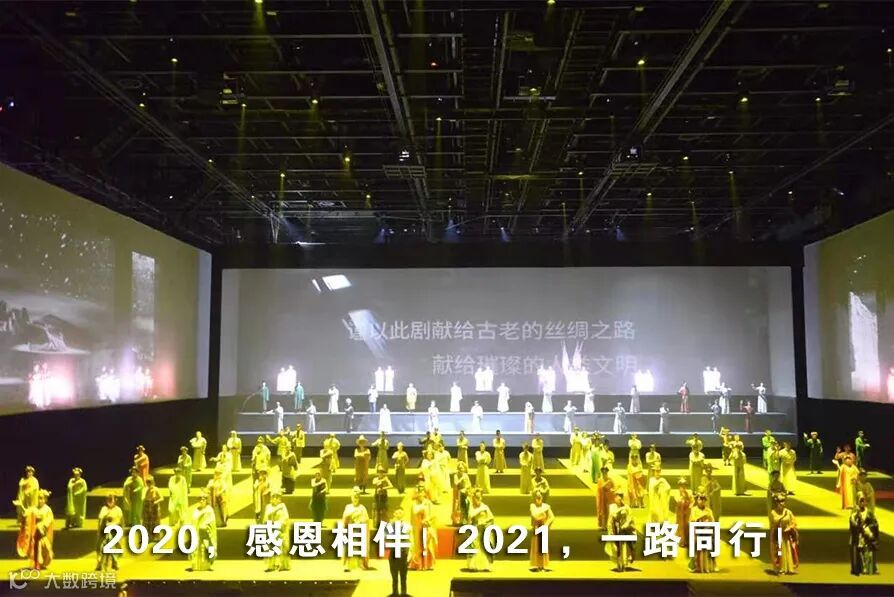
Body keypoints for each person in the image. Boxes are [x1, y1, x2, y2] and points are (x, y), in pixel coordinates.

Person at [17, 488, 54, 570]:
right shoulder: (34, 508)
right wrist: (22, 507)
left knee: (46, 550)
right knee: (36, 549)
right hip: (35, 533)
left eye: (41, 498)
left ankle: (42, 563)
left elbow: (49, 519)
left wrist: (42, 525)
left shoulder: (47, 509)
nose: (40, 500)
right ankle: (36, 564)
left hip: (42, 533)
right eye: (38, 498)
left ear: (45, 499)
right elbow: (27, 513)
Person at [850, 492, 879, 576]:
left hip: (867, 539)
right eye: (861, 500)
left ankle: (868, 568)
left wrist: (869, 530)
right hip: (858, 539)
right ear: (857, 502)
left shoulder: (869, 513)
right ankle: (860, 568)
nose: (863, 502)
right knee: (859, 554)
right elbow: (852, 526)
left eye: (864, 500)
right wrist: (857, 518)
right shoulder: (854, 514)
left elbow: (875, 524)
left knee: (867, 554)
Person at [341, 488, 371, 571]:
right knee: (347, 546)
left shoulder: (362, 508)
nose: (355, 499)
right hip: (349, 530)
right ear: (351, 497)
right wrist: (350, 515)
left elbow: (366, 519)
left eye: (357, 497)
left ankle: (361, 563)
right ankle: (347, 564)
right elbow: (344, 517)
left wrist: (360, 519)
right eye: (354, 497)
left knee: (360, 546)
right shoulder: (348, 507)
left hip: (359, 529)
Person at [465, 488, 495, 572]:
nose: (477, 499)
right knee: (475, 547)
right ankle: (473, 565)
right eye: (476, 497)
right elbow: (470, 517)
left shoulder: (485, 507)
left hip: (484, 530)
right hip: (475, 530)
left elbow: (491, 518)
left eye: (479, 497)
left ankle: (486, 565)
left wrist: (486, 524)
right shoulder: (471, 507)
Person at [606, 490, 636, 572]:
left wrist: (626, 525)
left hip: (625, 529)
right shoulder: (612, 507)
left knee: (627, 547)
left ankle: (626, 561)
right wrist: (611, 532)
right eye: (618, 496)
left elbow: (630, 518)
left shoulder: (627, 507)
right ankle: (619, 563)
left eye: (621, 496)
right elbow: (610, 520)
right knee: (617, 547)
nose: (619, 498)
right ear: (615, 498)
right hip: (616, 529)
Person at [769, 493, 798, 576]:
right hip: (778, 534)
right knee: (779, 552)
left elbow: (794, 522)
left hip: (787, 535)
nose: (782, 503)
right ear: (776, 503)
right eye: (780, 501)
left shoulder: (788, 512)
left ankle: (789, 567)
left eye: (783, 501)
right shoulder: (773, 513)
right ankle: (780, 568)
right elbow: (773, 524)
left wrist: (790, 527)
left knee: (789, 550)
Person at [409, 486, 437, 571]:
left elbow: (433, 515)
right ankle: (418, 565)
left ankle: (427, 564)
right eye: (419, 493)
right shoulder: (414, 504)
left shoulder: (428, 503)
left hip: (427, 526)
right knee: (418, 546)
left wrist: (428, 521)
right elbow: (413, 515)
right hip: (417, 527)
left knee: (427, 545)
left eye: (422, 492)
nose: (420, 494)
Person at [263, 490, 291, 571]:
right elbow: (266, 517)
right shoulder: (269, 507)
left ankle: (284, 565)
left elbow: (286, 517)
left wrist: (280, 524)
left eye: (277, 497)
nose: (275, 499)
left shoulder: (283, 506)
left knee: (283, 547)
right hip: (271, 529)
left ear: (280, 499)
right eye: (273, 497)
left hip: (280, 529)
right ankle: (270, 565)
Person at [688, 493, 716, 573]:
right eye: (700, 499)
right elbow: (693, 519)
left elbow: (712, 521)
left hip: (707, 529)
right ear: (697, 500)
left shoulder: (708, 510)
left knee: (713, 542)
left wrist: (708, 520)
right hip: (696, 529)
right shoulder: (694, 509)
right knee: (694, 543)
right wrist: (702, 517)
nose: (702, 501)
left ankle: (713, 561)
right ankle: (693, 562)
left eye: (703, 500)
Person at [189, 492, 216, 571]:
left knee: (206, 548)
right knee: (197, 549)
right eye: (200, 499)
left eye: (203, 499)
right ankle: (196, 566)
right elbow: (193, 520)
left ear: (206, 500)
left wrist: (205, 525)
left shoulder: (209, 510)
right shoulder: (196, 510)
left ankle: (206, 565)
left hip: (206, 533)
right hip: (197, 533)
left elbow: (211, 520)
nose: (201, 501)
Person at [529, 489, 555, 572]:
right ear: (535, 498)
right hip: (536, 528)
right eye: (537, 497)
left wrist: (546, 524)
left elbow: (552, 517)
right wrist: (543, 515)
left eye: (540, 496)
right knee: (536, 546)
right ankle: (536, 564)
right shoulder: (533, 506)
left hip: (543, 527)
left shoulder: (546, 506)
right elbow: (534, 515)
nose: (538, 498)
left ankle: (543, 565)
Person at [96, 494, 122, 572]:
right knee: (100, 546)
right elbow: (100, 519)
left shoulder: (118, 510)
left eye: (111, 499)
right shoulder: (104, 509)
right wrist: (99, 530)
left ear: (115, 500)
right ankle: (99, 563)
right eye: (108, 499)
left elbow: (120, 521)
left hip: (114, 530)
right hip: (104, 530)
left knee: (113, 546)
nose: (110, 501)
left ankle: (115, 562)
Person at [388, 508, 410, 594]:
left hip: (403, 553)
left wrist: (410, 552)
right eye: (396, 513)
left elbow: (410, 539)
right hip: (393, 553)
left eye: (400, 513)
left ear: (403, 514)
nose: (398, 514)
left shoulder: (407, 525)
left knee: (403, 577)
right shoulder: (390, 525)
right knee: (394, 577)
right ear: (394, 514)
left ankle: (403, 593)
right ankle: (395, 593)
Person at [452, 461, 472, 526]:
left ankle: (466, 519)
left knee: (467, 504)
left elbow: (469, 484)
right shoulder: (456, 475)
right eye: (460, 468)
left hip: (465, 492)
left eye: (462, 468)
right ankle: (457, 520)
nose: (461, 470)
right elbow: (456, 483)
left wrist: (466, 488)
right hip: (458, 493)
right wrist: (461, 479)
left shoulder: (466, 475)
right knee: (458, 507)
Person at [674, 478, 691, 548]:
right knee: (680, 525)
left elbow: (691, 500)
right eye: (682, 486)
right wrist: (683, 499)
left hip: (686, 511)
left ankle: (686, 540)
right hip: (680, 512)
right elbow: (678, 501)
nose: (683, 488)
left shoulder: (688, 493)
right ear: (679, 487)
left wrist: (689, 504)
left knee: (686, 525)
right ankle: (681, 541)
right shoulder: (677, 493)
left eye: (684, 486)